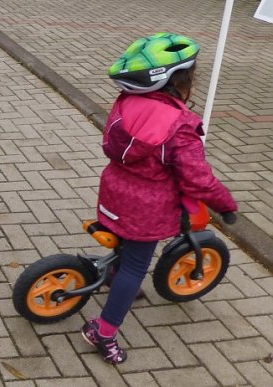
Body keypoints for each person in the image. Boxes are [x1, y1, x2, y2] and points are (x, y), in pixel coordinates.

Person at [83, 33, 237, 365]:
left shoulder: (126, 101)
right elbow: (198, 179)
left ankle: (114, 274)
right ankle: (103, 332)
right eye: (191, 77)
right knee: (136, 267)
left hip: (113, 193)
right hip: (147, 210)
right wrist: (225, 204)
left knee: (126, 247)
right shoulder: (180, 127)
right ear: (178, 82)